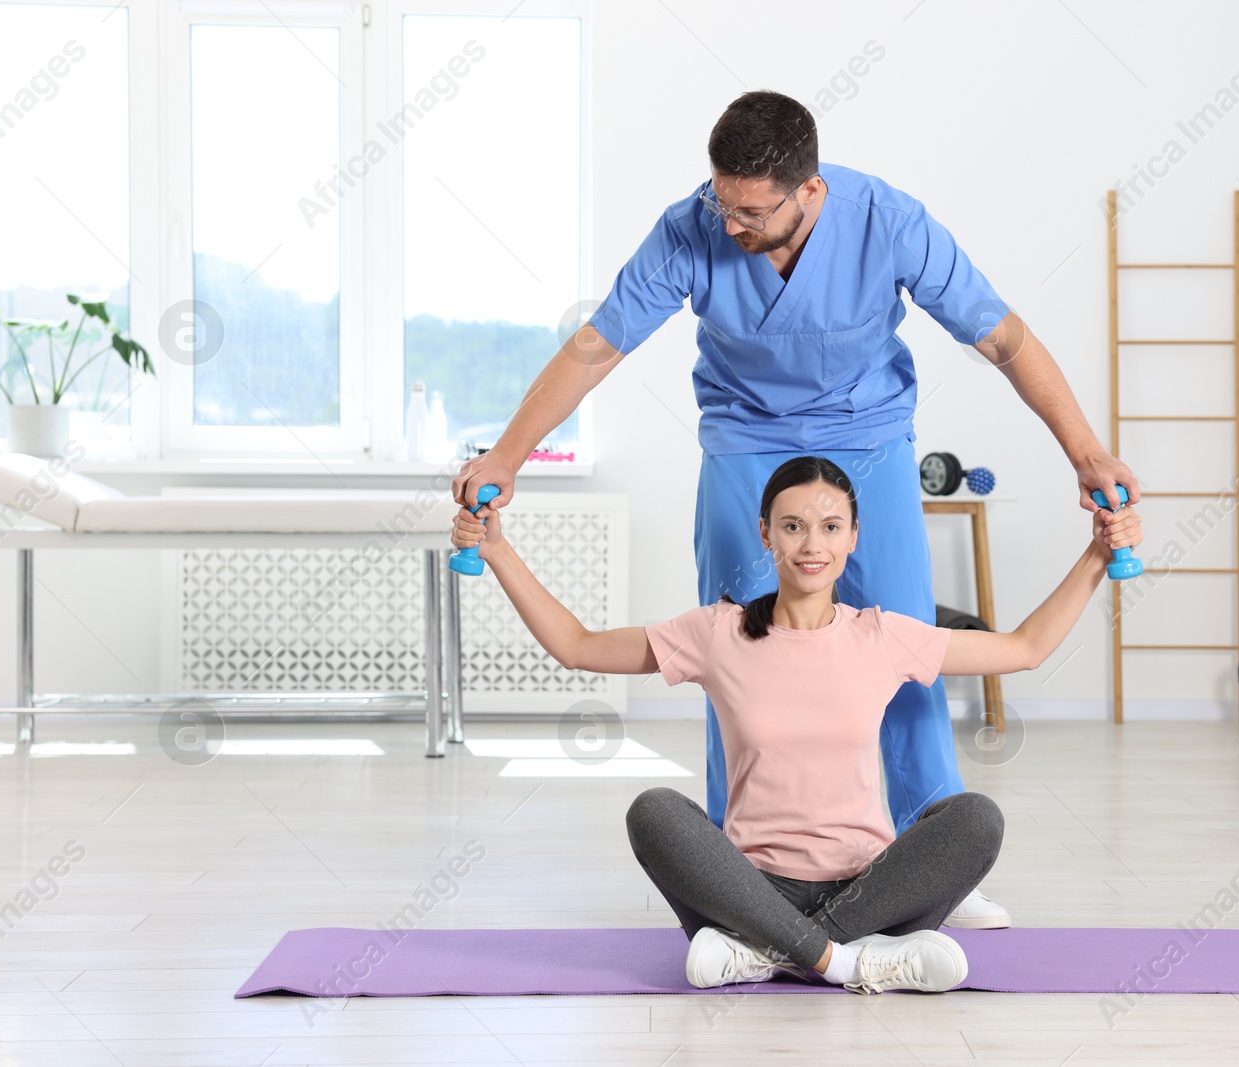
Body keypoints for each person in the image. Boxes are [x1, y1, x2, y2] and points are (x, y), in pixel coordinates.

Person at [452, 90, 1140, 928]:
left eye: (750, 211)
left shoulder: (886, 220)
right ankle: (735, 872)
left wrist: (1086, 451)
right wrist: (507, 454)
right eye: (720, 201)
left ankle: (928, 868)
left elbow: (1003, 338)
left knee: (906, 643)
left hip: (870, 436)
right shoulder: (690, 227)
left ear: (808, 192)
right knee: (737, 646)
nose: (729, 224)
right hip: (744, 438)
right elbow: (599, 344)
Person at [450, 455, 1143, 993]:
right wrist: (500, 548)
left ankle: (772, 953)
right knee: (655, 809)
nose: (812, 543)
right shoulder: (718, 632)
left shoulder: (882, 635)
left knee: (977, 818)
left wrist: (1096, 552)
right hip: (749, 889)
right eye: (793, 525)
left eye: (830, 526)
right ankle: (844, 962)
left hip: (870, 890)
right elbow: (576, 645)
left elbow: (1023, 648)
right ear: (766, 534)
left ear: (853, 537)